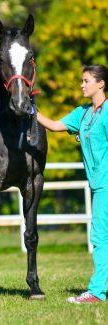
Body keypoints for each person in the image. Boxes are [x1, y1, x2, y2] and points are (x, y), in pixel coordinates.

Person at [36, 64, 108, 304]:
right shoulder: (83, 113)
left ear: (101, 84)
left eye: (86, 80)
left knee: (99, 237)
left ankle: (96, 292)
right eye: (82, 80)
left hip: (106, 183)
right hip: (98, 184)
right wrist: (30, 111)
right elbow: (56, 126)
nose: (82, 84)